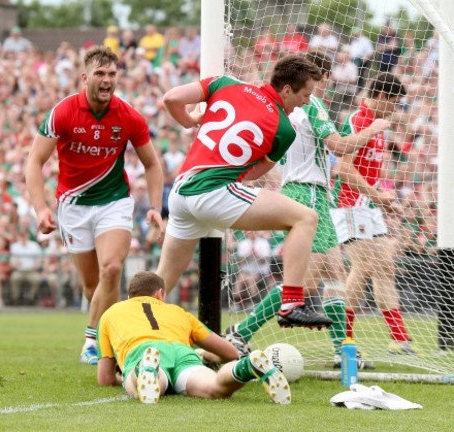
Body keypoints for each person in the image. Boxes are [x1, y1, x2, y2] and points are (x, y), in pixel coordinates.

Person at [225, 51, 390, 365]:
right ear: (322, 78)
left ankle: (343, 350)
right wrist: (374, 129)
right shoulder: (312, 104)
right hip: (308, 194)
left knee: (334, 274)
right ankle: (241, 332)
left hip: (306, 192)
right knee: (304, 281)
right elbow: (338, 146)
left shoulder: (289, 109)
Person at [155, 54, 331, 329]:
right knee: (305, 218)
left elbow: (171, 98)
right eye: (305, 95)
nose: (306, 101)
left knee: (162, 279)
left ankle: (128, 334)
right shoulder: (285, 129)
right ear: (287, 90)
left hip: (181, 192)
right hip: (214, 193)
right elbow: (254, 172)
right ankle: (292, 304)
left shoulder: (224, 83)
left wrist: (190, 121)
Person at [26, 45, 165, 365]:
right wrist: (40, 208)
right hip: (72, 207)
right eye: (100, 74)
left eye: (112, 74)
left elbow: (152, 165)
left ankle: (92, 341)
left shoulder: (128, 115)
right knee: (94, 286)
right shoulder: (63, 111)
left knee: (112, 268)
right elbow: (35, 161)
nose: (107, 80)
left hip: (113, 203)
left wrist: (155, 206)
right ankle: (111, 340)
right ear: (84, 77)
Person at [97, 271, 291, 404]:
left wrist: (119, 377)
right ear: (160, 294)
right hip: (182, 355)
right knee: (216, 389)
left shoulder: (110, 313)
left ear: (130, 296)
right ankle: (247, 366)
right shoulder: (179, 312)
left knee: (146, 386)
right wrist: (206, 355)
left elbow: (105, 378)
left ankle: (143, 370)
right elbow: (230, 352)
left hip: (141, 349)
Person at [330, 72, 417, 355]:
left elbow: (370, 172)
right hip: (349, 203)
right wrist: (376, 195)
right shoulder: (358, 120)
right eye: (393, 102)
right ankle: (346, 339)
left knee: (383, 267)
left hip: (367, 205)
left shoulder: (380, 126)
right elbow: (343, 168)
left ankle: (398, 337)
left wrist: (383, 200)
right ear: (381, 97)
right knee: (366, 267)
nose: (395, 108)